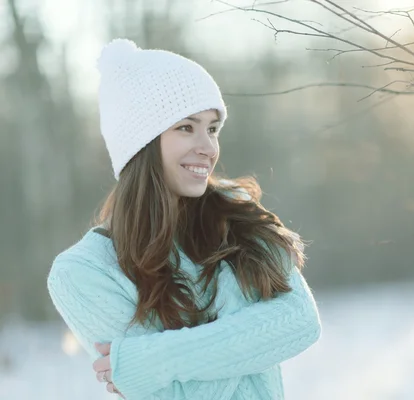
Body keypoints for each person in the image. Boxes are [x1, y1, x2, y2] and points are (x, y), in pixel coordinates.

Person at [46, 38, 321, 400]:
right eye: (186, 127)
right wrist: (248, 315)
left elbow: (300, 322)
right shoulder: (83, 272)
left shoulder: (237, 214)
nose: (208, 147)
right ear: (140, 143)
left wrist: (152, 359)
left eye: (212, 128)